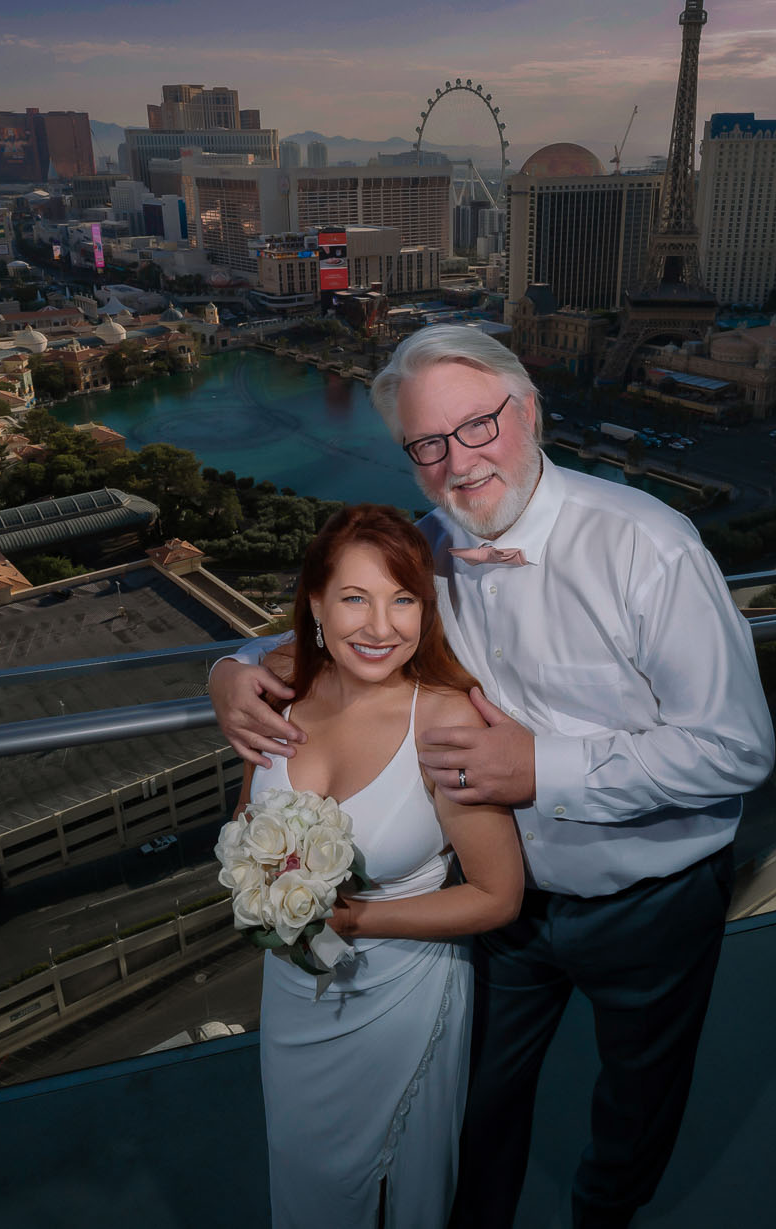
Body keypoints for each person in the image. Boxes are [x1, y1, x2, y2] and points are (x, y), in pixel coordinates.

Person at [213, 325, 776, 1229]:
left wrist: (540, 766)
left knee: (635, 1107)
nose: (459, 462)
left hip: (651, 899)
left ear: (532, 411)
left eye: (479, 426)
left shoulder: (649, 546)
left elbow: (737, 747)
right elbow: (332, 621)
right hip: (503, 910)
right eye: (428, 445)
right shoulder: (429, 552)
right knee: (473, 1112)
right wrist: (230, 670)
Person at [240, 503, 524, 1229]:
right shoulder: (278, 698)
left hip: (400, 997)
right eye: (355, 598)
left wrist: (355, 917)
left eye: (404, 599)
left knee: (398, 1191)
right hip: (292, 1002)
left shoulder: (445, 719)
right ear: (315, 603)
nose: (380, 625)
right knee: (304, 1176)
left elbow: (497, 896)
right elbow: (248, 830)